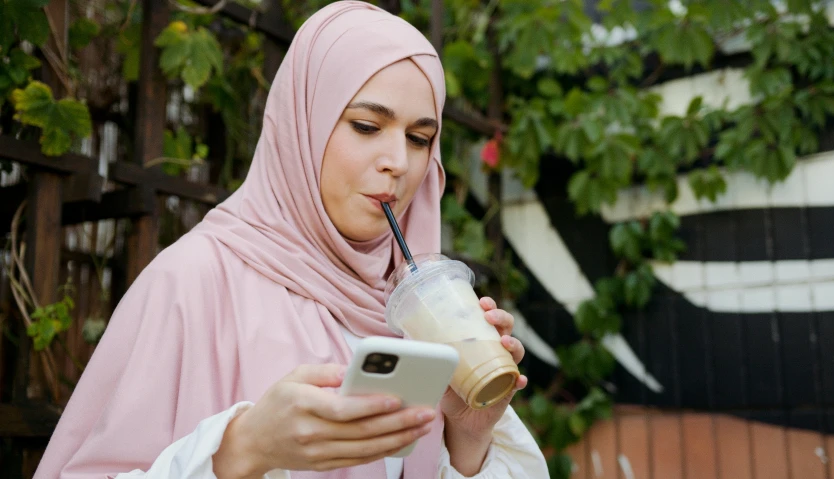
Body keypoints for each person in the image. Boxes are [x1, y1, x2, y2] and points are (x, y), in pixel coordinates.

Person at [34, 2, 548, 478]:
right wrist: (242, 449)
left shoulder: (417, 316)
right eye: (367, 125)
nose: (399, 161)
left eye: (419, 138)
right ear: (304, 125)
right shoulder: (192, 281)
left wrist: (468, 438)